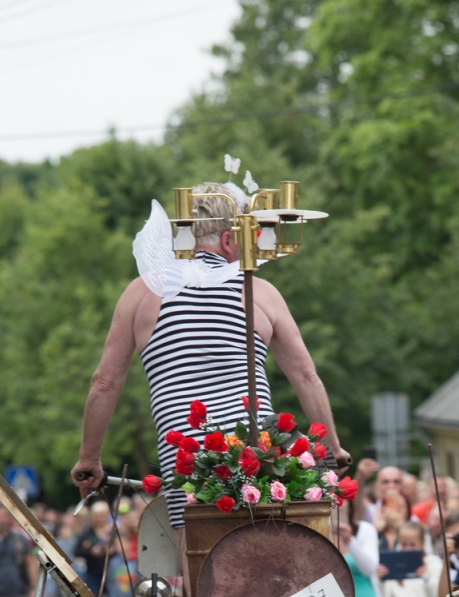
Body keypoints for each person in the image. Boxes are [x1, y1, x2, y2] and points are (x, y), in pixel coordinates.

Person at [70, 181, 351, 532]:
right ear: (229, 239)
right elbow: (307, 377)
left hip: (186, 455)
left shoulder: (143, 291)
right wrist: (333, 450)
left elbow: (105, 382)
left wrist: (89, 459)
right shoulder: (259, 292)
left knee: (198, 566)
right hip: (257, 448)